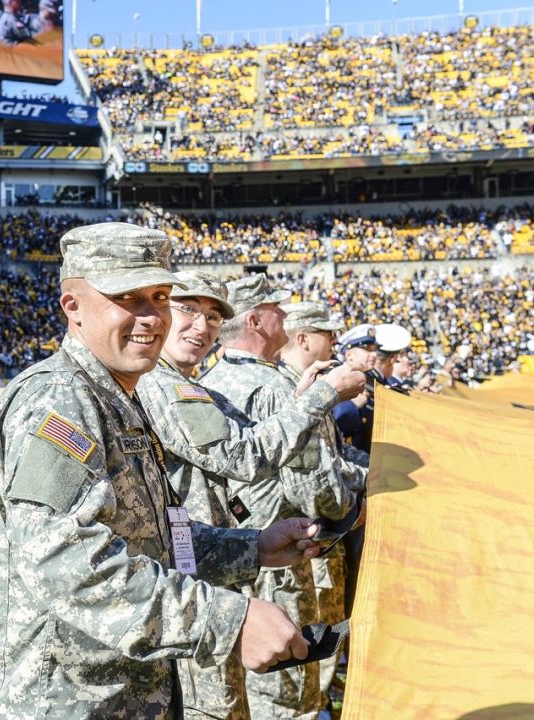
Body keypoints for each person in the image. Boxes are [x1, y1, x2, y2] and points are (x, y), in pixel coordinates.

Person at [0, 223, 327, 719]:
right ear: (74, 307)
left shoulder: (119, 396)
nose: (152, 317)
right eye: (127, 297)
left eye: (159, 296)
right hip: (55, 701)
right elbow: (68, 563)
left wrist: (250, 547)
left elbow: (150, 538)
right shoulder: (59, 400)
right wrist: (227, 621)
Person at [136, 272, 364, 720]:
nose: (202, 327)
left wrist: (252, 547)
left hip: (213, 563)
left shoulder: (197, 382)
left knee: (236, 699)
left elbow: (245, 439)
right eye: (187, 310)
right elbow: (244, 455)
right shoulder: (164, 385)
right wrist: (321, 396)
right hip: (192, 583)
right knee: (230, 704)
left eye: (213, 316)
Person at [200, 277, 361, 720]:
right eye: (276, 309)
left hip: (236, 550)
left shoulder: (209, 379)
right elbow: (312, 486)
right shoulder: (271, 388)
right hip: (284, 553)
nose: (285, 318)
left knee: (260, 685)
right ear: (254, 319)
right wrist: (351, 507)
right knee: (294, 690)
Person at [276, 302, 372, 712]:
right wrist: (352, 507)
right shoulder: (288, 390)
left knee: (325, 644)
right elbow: (314, 481)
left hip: (318, 541)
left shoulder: (310, 386)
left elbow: (335, 460)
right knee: (309, 652)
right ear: (302, 338)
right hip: (305, 542)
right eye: (327, 334)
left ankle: (325, 700)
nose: (335, 341)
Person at [331, 323, 380, 454]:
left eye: (374, 349)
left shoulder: (370, 380)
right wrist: (353, 405)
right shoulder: (336, 378)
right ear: (349, 355)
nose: (374, 354)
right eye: (368, 349)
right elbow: (338, 423)